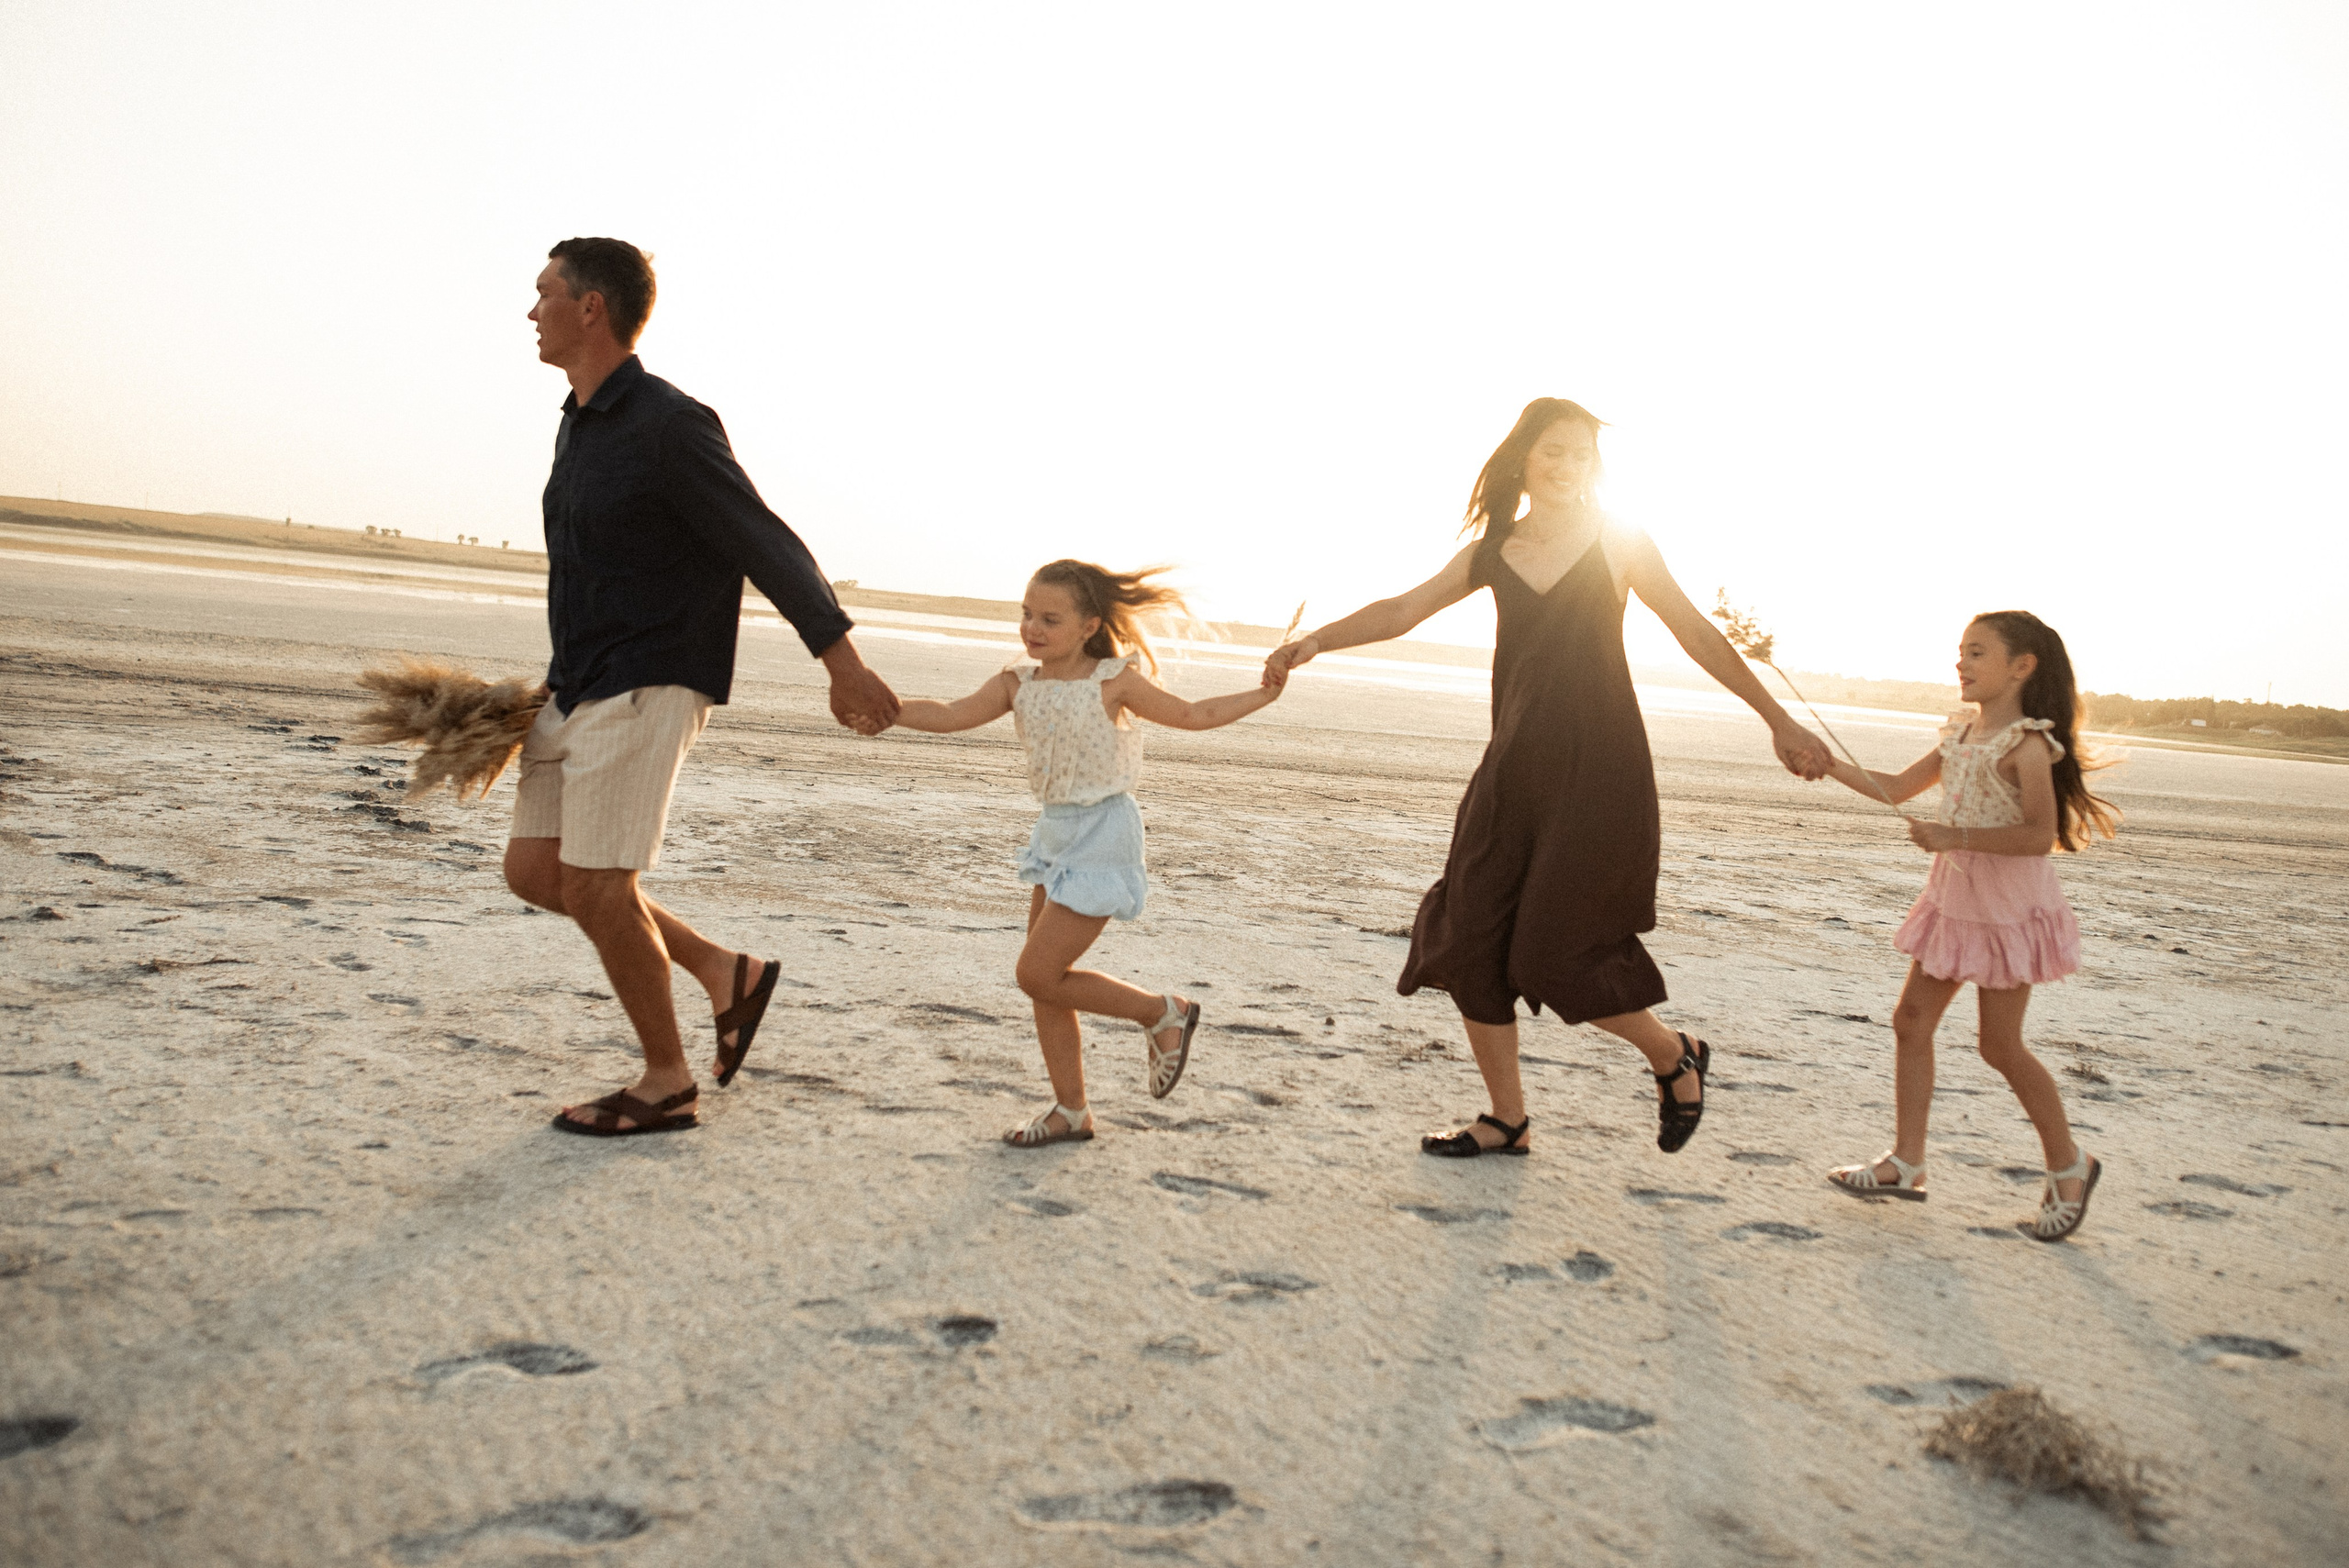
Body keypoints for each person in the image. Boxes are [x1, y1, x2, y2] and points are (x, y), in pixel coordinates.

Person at [1262, 398, 1831, 1158]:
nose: (1568, 467)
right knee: (1469, 934)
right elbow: (1404, 607)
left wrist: (1777, 718)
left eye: (1581, 454)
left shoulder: (1620, 541)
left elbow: (1696, 631)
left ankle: (1673, 1054)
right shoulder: (1494, 548)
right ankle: (1507, 1118)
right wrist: (1315, 641)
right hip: (1512, 767)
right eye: (1553, 451)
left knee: (1554, 952)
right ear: (1524, 457)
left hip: (1598, 770)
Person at [507, 237, 901, 1137]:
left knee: (600, 884)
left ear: (591, 307)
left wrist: (839, 659)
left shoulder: (668, 423)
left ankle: (665, 1079)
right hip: (576, 682)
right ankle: (725, 972)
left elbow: (762, 540)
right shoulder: (576, 420)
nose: (531, 312)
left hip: (649, 680)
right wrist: (542, 687)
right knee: (537, 871)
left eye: (542, 294)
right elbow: (583, 570)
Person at [889, 560, 1281, 1146]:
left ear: (1088, 625)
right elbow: (950, 715)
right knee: (1045, 981)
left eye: (1050, 618)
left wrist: (1263, 694)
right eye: (1026, 614)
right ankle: (1071, 1111)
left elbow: (1193, 715)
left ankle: (1160, 1012)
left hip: (1103, 832)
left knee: (1035, 971)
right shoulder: (1016, 683)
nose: (1033, 628)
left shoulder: (1112, 680)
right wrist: (884, 709)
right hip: (1054, 836)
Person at [1820, 611, 2119, 1240]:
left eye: (1976, 652)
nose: (1961, 662)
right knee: (1911, 1021)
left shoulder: (2028, 744)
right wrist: (1827, 764)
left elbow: (2039, 834)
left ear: (2022, 666)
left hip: (2008, 912)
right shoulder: (1961, 731)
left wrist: (1951, 833)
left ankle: (2070, 1164)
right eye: (1960, 651)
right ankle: (1907, 1161)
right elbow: (1899, 786)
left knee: (1999, 1045)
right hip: (1956, 903)